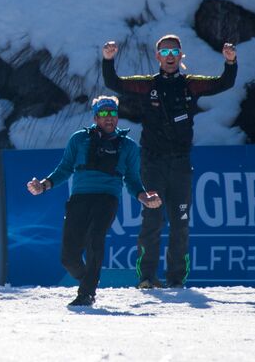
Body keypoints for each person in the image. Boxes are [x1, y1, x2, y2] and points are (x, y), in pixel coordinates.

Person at [102, 35, 237, 288]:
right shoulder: (147, 85)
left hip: (181, 164)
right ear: (157, 57)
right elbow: (114, 82)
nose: (170, 56)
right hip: (152, 163)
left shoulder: (190, 85)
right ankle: (147, 278)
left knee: (180, 222)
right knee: (152, 221)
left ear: (181, 55)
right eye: (164, 52)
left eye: (174, 51)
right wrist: (108, 59)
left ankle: (176, 279)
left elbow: (224, 83)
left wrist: (230, 62)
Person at [27, 96, 162, 306]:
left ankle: (87, 293)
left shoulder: (127, 146)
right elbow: (64, 169)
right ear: (96, 117)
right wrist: (44, 185)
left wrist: (144, 197)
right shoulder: (79, 139)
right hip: (80, 198)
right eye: (105, 114)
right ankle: (89, 278)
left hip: (107, 199)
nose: (110, 119)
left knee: (94, 239)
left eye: (113, 114)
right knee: (68, 257)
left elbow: (133, 180)